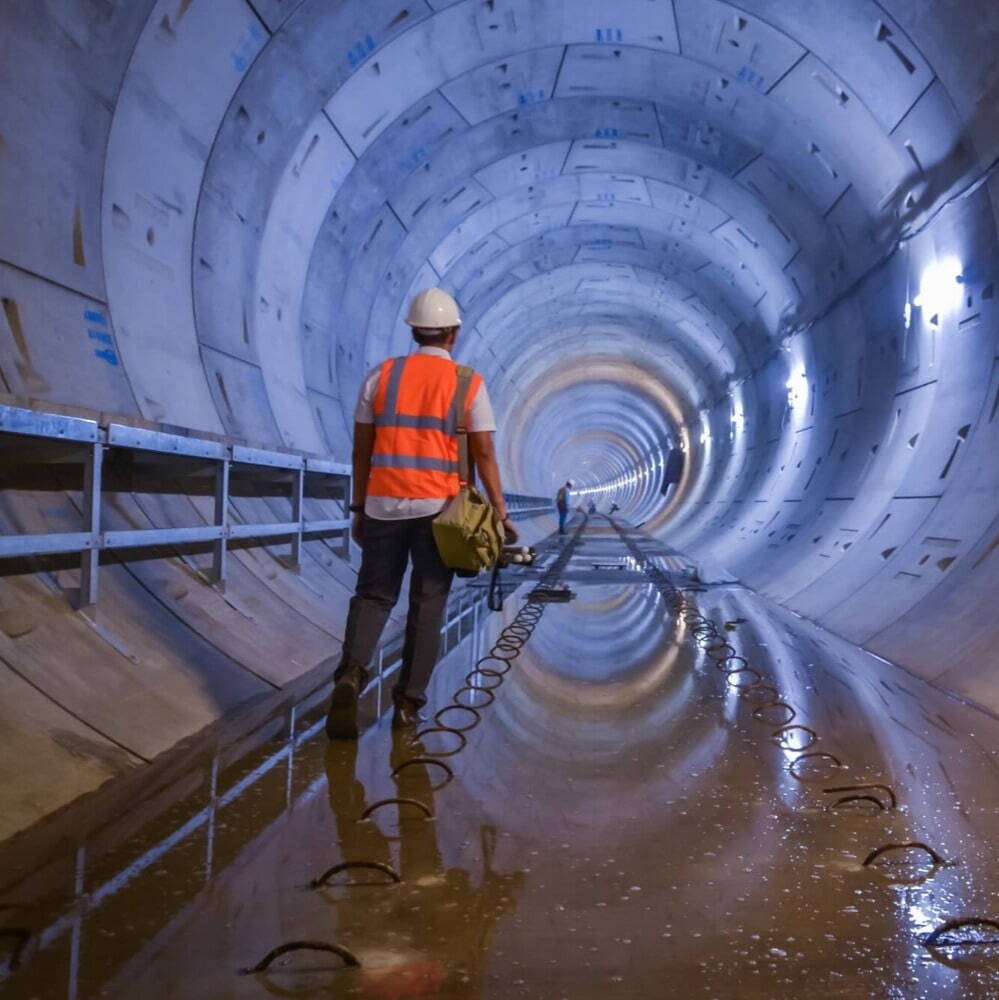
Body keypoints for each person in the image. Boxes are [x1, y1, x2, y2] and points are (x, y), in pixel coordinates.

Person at [326, 288, 518, 739]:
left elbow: (361, 448)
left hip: (383, 505)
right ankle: (408, 707)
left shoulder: (382, 376)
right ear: (453, 333)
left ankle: (351, 675)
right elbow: (485, 452)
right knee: (427, 607)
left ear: (414, 331)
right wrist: (501, 510)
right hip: (441, 513)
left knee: (373, 597)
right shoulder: (468, 383)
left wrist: (359, 505)